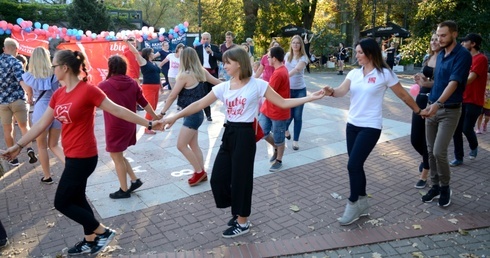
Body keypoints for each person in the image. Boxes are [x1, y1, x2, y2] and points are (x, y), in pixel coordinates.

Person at [0, 49, 164, 255]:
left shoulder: (88, 90)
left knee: (61, 202)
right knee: (77, 199)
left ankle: (102, 232)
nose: (53, 70)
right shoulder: (59, 94)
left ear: (64, 68)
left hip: (84, 156)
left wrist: (150, 122)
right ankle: (90, 240)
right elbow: (42, 122)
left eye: (54, 66)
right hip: (72, 154)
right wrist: (19, 146)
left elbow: (118, 110)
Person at [161, 47, 325, 238]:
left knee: (241, 180)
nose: (224, 66)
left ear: (239, 63)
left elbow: (282, 102)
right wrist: (173, 117)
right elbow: (198, 104)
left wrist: (311, 97)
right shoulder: (224, 87)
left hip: (246, 134)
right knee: (218, 179)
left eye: (228, 62)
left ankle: (243, 221)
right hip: (229, 132)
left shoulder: (258, 85)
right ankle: (238, 209)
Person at [323, 38, 427, 226]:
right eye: (356, 52)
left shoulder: (384, 74)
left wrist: (418, 111)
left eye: (360, 52)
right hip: (352, 125)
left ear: (370, 53)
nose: (356, 55)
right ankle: (362, 202)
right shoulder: (354, 73)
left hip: (371, 127)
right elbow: (340, 91)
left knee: (353, 165)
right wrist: (331, 91)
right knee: (356, 165)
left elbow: (403, 95)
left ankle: (353, 203)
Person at [421, 20, 472, 207]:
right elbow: (439, 82)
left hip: (449, 110)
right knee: (430, 151)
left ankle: (445, 187)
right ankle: (434, 187)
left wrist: (438, 103)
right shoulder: (440, 55)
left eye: (444, 35)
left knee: (439, 151)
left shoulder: (463, 55)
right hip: (432, 107)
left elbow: (454, 83)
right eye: (438, 35)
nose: (440, 39)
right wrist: (425, 88)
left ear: (454, 34)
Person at [158, 47, 222, 187]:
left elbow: (172, 95)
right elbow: (218, 82)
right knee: (193, 145)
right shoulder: (201, 72)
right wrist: (235, 85)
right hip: (197, 114)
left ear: (184, 59)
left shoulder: (184, 75)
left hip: (191, 114)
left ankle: (199, 172)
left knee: (181, 145)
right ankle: (201, 172)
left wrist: (162, 113)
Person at [99, 55, 160, 199]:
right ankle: (134, 180)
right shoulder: (133, 83)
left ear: (111, 68)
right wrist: (154, 116)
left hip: (114, 126)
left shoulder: (104, 86)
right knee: (119, 155)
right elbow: (144, 102)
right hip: (130, 124)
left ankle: (123, 189)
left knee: (116, 157)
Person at [21, 47, 65, 184]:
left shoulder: (29, 76)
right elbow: (64, 88)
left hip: (40, 111)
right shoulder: (55, 73)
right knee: (54, 145)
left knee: (42, 147)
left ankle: (47, 176)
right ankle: (71, 168)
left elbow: (29, 94)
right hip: (56, 110)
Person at [449, 33, 488, 166]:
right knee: (456, 129)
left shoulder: (481, 59)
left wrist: (453, 82)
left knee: (466, 128)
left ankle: (474, 145)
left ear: (473, 44)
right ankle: (458, 157)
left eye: (465, 41)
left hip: (474, 100)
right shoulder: (463, 58)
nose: (462, 44)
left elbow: (470, 79)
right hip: (460, 98)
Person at [0, 38, 37, 167]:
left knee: (7, 129)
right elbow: (23, 81)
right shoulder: (16, 63)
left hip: (3, 103)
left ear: (4, 49)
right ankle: (29, 148)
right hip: (18, 100)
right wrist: (30, 95)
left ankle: (12, 159)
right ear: (16, 50)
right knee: (24, 126)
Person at [412, 32, 441, 189]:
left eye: (437, 39)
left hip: (434, 101)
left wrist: (426, 83)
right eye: (432, 39)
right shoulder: (428, 57)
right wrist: (419, 78)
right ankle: (427, 161)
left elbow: (442, 84)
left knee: (427, 140)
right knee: (415, 139)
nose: (434, 42)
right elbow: (426, 79)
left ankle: (425, 172)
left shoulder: (445, 59)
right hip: (421, 99)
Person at [259, 46, 290, 172]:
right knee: (263, 132)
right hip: (267, 109)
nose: (268, 59)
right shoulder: (280, 70)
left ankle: (279, 160)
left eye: (269, 57)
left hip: (278, 111)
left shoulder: (279, 73)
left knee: (278, 136)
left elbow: (268, 91)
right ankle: (276, 148)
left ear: (275, 59)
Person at [126, 40, 161, 134]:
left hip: (156, 86)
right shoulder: (143, 62)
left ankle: (152, 124)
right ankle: (147, 128)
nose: (154, 53)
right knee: (150, 108)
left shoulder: (153, 63)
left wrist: (161, 87)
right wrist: (129, 43)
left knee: (154, 107)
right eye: (152, 52)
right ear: (148, 54)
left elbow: (157, 74)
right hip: (149, 87)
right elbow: (136, 53)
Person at [284, 35, 309, 150]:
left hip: (300, 90)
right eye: (293, 42)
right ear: (291, 44)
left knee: (297, 116)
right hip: (288, 89)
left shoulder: (303, 58)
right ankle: (285, 129)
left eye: (298, 43)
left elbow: (297, 69)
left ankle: (295, 141)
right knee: (288, 115)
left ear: (301, 45)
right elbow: (283, 68)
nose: (295, 45)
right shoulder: (287, 56)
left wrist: (284, 77)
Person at [195, 32, 223, 122]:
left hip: (212, 73)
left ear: (210, 40)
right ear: (201, 39)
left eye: (207, 39)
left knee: (214, 93)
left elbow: (221, 57)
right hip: (201, 74)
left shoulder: (214, 48)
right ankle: (208, 115)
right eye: (204, 39)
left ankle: (209, 107)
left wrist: (212, 53)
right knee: (204, 94)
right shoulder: (197, 48)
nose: (205, 40)